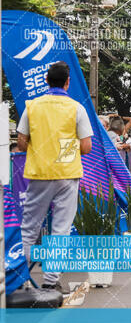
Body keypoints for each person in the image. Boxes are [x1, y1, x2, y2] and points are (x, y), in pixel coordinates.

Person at [16, 61, 93, 294]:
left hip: (38, 174)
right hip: (67, 175)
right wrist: (64, 152)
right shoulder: (76, 108)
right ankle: (51, 282)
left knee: (29, 228)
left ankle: (20, 279)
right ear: (68, 82)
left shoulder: (32, 107)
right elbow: (86, 146)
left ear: (46, 80)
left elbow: (21, 143)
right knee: (61, 230)